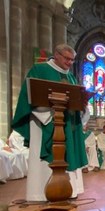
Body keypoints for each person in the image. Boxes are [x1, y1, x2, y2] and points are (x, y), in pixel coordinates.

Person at [11, 44, 89, 201]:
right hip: (44, 122)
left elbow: (75, 100)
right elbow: (29, 97)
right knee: (46, 157)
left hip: (67, 123)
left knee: (69, 155)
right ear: (57, 55)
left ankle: (70, 190)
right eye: (67, 59)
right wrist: (50, 113)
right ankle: (40, 193)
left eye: (72, 60)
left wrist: (83, 106)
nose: (70, 63)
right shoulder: (39, 70)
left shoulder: (71, 77)